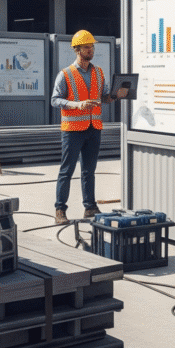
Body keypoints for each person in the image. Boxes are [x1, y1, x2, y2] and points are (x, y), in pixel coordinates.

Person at [51, 29, 126, 223]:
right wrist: (76, 105)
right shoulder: (65, 74)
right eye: (87, 47)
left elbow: (104, 98)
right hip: (73, 130)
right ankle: (60, 210)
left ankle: (90, 207)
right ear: (77, 49)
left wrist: (116, 95)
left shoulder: (99, 72)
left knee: (89, 171)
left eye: (92, 47)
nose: (90, 50)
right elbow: (55, 100)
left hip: (94, 127)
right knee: (66, 171)